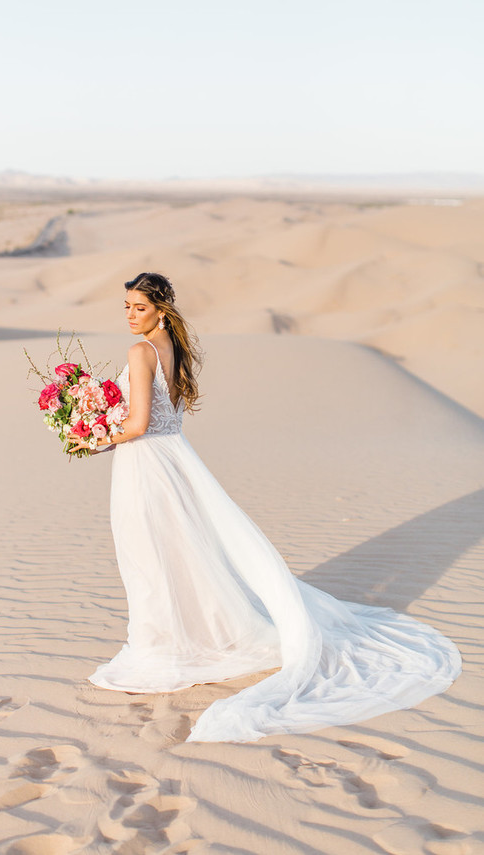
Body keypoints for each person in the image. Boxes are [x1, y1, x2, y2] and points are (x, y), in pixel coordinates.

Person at [70, 272, 461, 743]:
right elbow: (154, 419)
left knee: (151, 554)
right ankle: (189, 637)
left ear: (160, 309)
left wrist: (92, 439)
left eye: (139, 307)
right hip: (173, 459)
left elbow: (136, 424)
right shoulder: (170, 348)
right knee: (185, 552)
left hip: (149, 468)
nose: (131, 315)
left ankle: (167, 647)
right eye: (126, 307)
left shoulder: (139, 353)